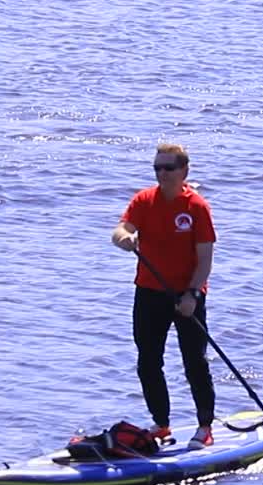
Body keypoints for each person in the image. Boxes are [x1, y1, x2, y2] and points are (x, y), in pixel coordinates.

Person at [111, 143, 217, 450]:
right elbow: (120, 230)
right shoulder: (144, 201)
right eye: (157, 168)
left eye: (168, 168)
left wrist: (192, 295)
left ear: (184, 171)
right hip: (149, 292)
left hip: (187, 295)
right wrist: (125, 238)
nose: (162, 173)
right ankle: (161, 423)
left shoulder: (196, 207)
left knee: (194, 362)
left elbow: (205, 260)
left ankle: (205, 426)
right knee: (147, 361)